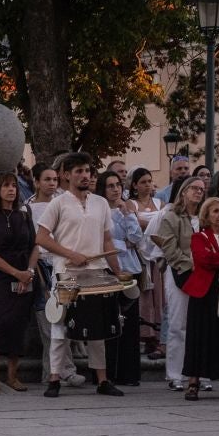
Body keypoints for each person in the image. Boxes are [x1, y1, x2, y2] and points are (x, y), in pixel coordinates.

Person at [34, 153, 126, 398]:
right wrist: (70, 254)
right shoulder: (58, 203)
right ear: (66, 175)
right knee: (59, 324)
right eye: (78, 171)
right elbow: (41, 238)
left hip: (96, 273)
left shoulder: (101, 203)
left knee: (98, 327)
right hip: (67, 273)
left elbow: (107, 239)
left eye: (87, 170)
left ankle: (102, 380)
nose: (84, 175)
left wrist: (118, 272)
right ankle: (54, 378)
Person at [0, 173, 38, 395]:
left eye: (14, 186)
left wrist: (29, 273)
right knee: (2, 320)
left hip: (26, 273)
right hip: (3, 276)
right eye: (6, 186)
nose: (11, 190)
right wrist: (15, 273)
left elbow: (35, 246)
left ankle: (13, 374)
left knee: (20, 322)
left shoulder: (24, 216)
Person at [150, 176, 205, 391]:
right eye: (194, 188)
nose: (198, 192)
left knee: (200, 324)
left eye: (201, 189)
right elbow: (169, 248)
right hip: (180, 272)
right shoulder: (171, 216)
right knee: (178, 322)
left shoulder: (205, 216)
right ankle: (175, 373)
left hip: (204, 274)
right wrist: (189, 264)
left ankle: (200, 373)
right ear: (183, 191)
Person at [183, 197, 219, 401]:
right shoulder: (199, 237)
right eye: (215, 211)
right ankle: (193, 381)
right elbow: (202, 258)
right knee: (199, 335)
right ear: (206, 216)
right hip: (204, 291)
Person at [99, 170, 146, 386]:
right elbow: (102, 241)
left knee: (129, 321)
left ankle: (129, 372)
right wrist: (120, 244)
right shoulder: (99, 210)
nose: (115, 189)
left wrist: (127, 214)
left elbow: (136, 238)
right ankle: (109, 373)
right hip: (108, 268)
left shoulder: (126, 208)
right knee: (109, 320)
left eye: (117, 184)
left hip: (130, 267)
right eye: (110, 185)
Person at [128, 167, 167, 359]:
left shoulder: (161, 202)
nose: (147, 185)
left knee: (160, 297)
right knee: (144, 296)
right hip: (141, 256)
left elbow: (166, 223)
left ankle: (159, 336)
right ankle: (145, 335)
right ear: (135, 185)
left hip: (158, 255)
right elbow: (135, 226)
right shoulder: (131, 204)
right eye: (142, 182)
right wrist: (154, 225)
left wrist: (151, 226)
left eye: (149, 181)